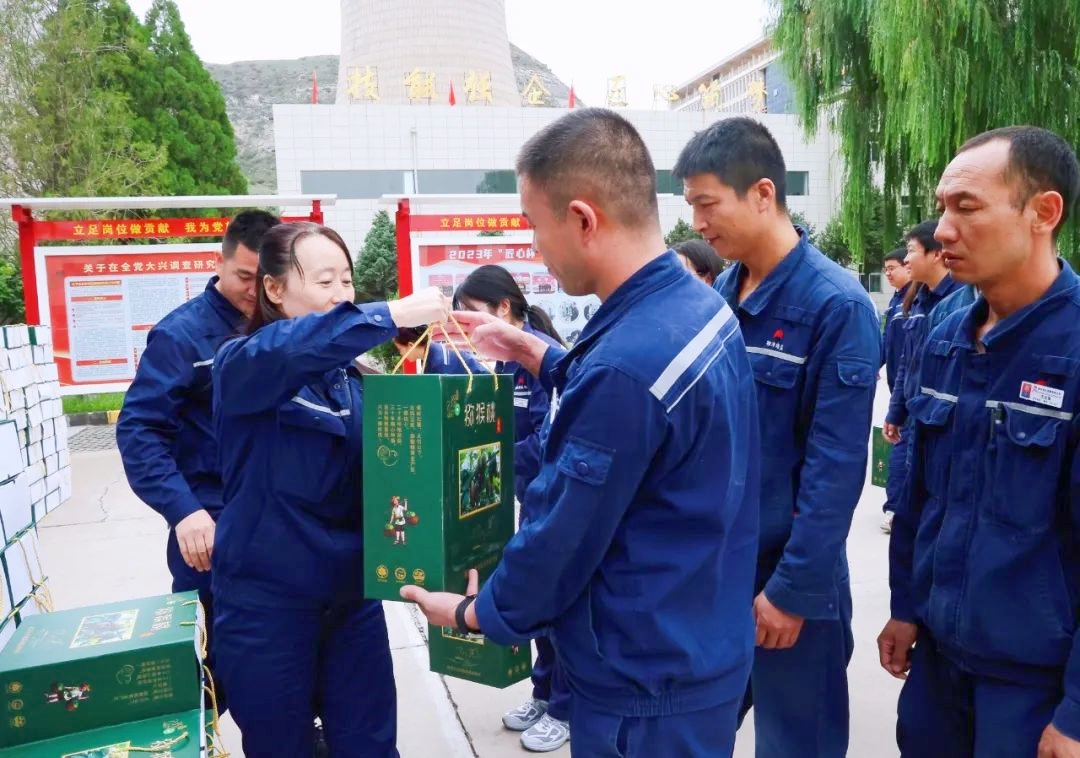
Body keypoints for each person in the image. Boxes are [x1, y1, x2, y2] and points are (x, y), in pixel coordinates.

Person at [402, 108, 761, 757]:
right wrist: (537, 353)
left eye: (535, 225)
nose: (535, 247)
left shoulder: (627, 366)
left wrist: (472, 613)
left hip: (642, 691)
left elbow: (559, 537)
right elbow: (641, 411)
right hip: (696, 641)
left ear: (582, 219)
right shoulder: (697, 308)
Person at [674, 117, 880, 758]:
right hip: (719, 571)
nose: (698, 224)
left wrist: (791, 593)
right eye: (691, 207)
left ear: (763, 193)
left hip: (789, 579)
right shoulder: (720, 294)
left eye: (707, 204)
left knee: (796, 744)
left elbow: (835, 468)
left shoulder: (836, 305)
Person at [209, 221, 450, 757]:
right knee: (281, 746)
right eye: (324, 282)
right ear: (274, 289)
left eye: (347, 280)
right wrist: (389, 314)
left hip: (350, 602)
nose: (342, 294)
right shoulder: (243, 365)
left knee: (370, 743)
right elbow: (291, 350)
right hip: (267, 606)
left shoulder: (352, 378)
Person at [879, 126, 1080, 758]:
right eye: (942, 207)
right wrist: (905, 605)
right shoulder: (946, 337)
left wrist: (1076, 713)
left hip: (1033, 685)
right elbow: (918, 497)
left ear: (1043, 212)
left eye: (966, 207)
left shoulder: (1073, 349)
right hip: (938, 666)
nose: (943, 230)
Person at [116, 209, 279, 711]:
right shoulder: (181, 335)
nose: (254, 291)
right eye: (244, 276)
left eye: (265, 279)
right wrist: (183, 510)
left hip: (281, 527)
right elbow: (139, 430)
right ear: (219, 262)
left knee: (283, 662)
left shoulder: (287, 328)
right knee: (207, 673)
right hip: (211, 529)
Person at [452, 264, 570, 752]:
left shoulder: (543, 361)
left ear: (504, 308)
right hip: (529, 499)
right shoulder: (503, 363)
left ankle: (566, 707)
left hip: (558, 505)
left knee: (560, 608)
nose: (468, 328)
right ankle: (543, 693)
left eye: (472, 314)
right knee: (537, 603)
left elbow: (547, 441)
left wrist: (490, 463)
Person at [881, 220, 963, 534]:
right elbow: (907, 361)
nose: (906, 260)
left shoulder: (963, 301)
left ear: (937, 254)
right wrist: (896, 411)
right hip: (915, 412)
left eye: (911, 251)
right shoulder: (916, 301)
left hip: (942, 418)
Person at [881, 247, 912, 393]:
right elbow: (886, 338)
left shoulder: (916, 297)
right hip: (895, 380)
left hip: (909, 379)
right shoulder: (895, 299)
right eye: (886, 269)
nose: (887, 273)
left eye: (891, 268)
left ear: (907, 266)